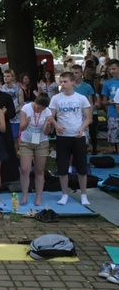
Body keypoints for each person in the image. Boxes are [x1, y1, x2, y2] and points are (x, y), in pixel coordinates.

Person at [49, 71, 92, 206]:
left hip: (78, 136)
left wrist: (82, 128)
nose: (63, 84)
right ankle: (64, 194)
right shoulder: (56, 98)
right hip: (63, 137)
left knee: (82, 167)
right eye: (61, 82)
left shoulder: (81, 98)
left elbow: (88, 118)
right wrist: (56, 126)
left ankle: (84, 195)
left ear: (72, 82)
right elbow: (50, 116)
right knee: (62, 167)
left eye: (65, 82)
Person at [19, 93, 53, 206]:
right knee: (25, 169)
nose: (39, 110)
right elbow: (22, 127)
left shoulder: (48, 112)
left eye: (42, 109)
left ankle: (39, 197)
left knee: (39, 170)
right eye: (38, 108)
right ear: (35, 102)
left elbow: (46, 132)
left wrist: (48, 125)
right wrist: (27, 121)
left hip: (41, 141)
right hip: (26, 142)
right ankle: (24, 195)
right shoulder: (26, 108)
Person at [101, 59, 119, 154]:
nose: (112, 71)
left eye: (114, 68)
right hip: (113, 114)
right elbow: (103, 102)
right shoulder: (107, 83)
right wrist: (109, 101)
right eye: (110, 69)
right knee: (116, 139)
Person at [2, 69, 25, 138]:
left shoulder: (18, 89)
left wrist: (13, 113)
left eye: (8, 76)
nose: (5, 78)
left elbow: (21, 104)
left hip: (15, 117)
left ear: (12, 77)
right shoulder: (0, 89)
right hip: (4, 116)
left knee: (15, 137)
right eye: (4, 76)